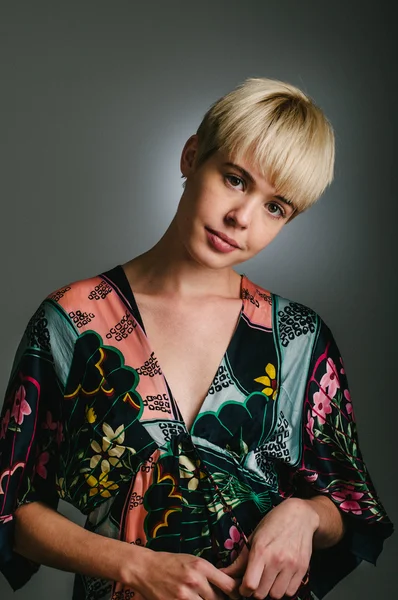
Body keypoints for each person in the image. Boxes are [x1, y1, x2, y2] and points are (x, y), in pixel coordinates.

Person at [0, 78, 393, 600]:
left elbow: (349, 505)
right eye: (235, 179)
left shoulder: (297, 339)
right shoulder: (71, 322)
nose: (242, 219)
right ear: (191, 156)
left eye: (276, 207)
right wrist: (133, 565)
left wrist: (305, 514)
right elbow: (13, 505)